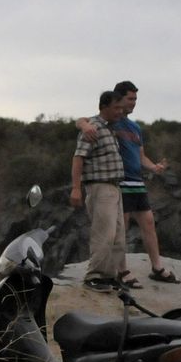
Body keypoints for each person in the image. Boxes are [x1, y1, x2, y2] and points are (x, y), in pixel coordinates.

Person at [78, 81, 177, 284]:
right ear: (119, 99)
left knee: (148, 222)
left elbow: (140, 156)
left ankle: (157, 267)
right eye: (130, 99)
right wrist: (83, 124)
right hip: (118, 182)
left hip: (136, 182)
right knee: (117, 229)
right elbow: (84, 121)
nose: (133, 103)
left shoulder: (134, 127)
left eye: (135, 99)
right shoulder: (111, 121)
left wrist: (154, 167)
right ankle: (121, 271)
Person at [70, 90, 128, 290]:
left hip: (114, 187)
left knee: (118, 235)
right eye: (116, 108)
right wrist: (76, 188)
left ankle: (109, 275)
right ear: (104, 107)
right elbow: (78, 158)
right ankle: (94, 276)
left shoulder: (110, 129)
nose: (120, 112)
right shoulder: (92, 128)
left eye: (121, 108)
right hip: (99, 187)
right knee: (104, 232)